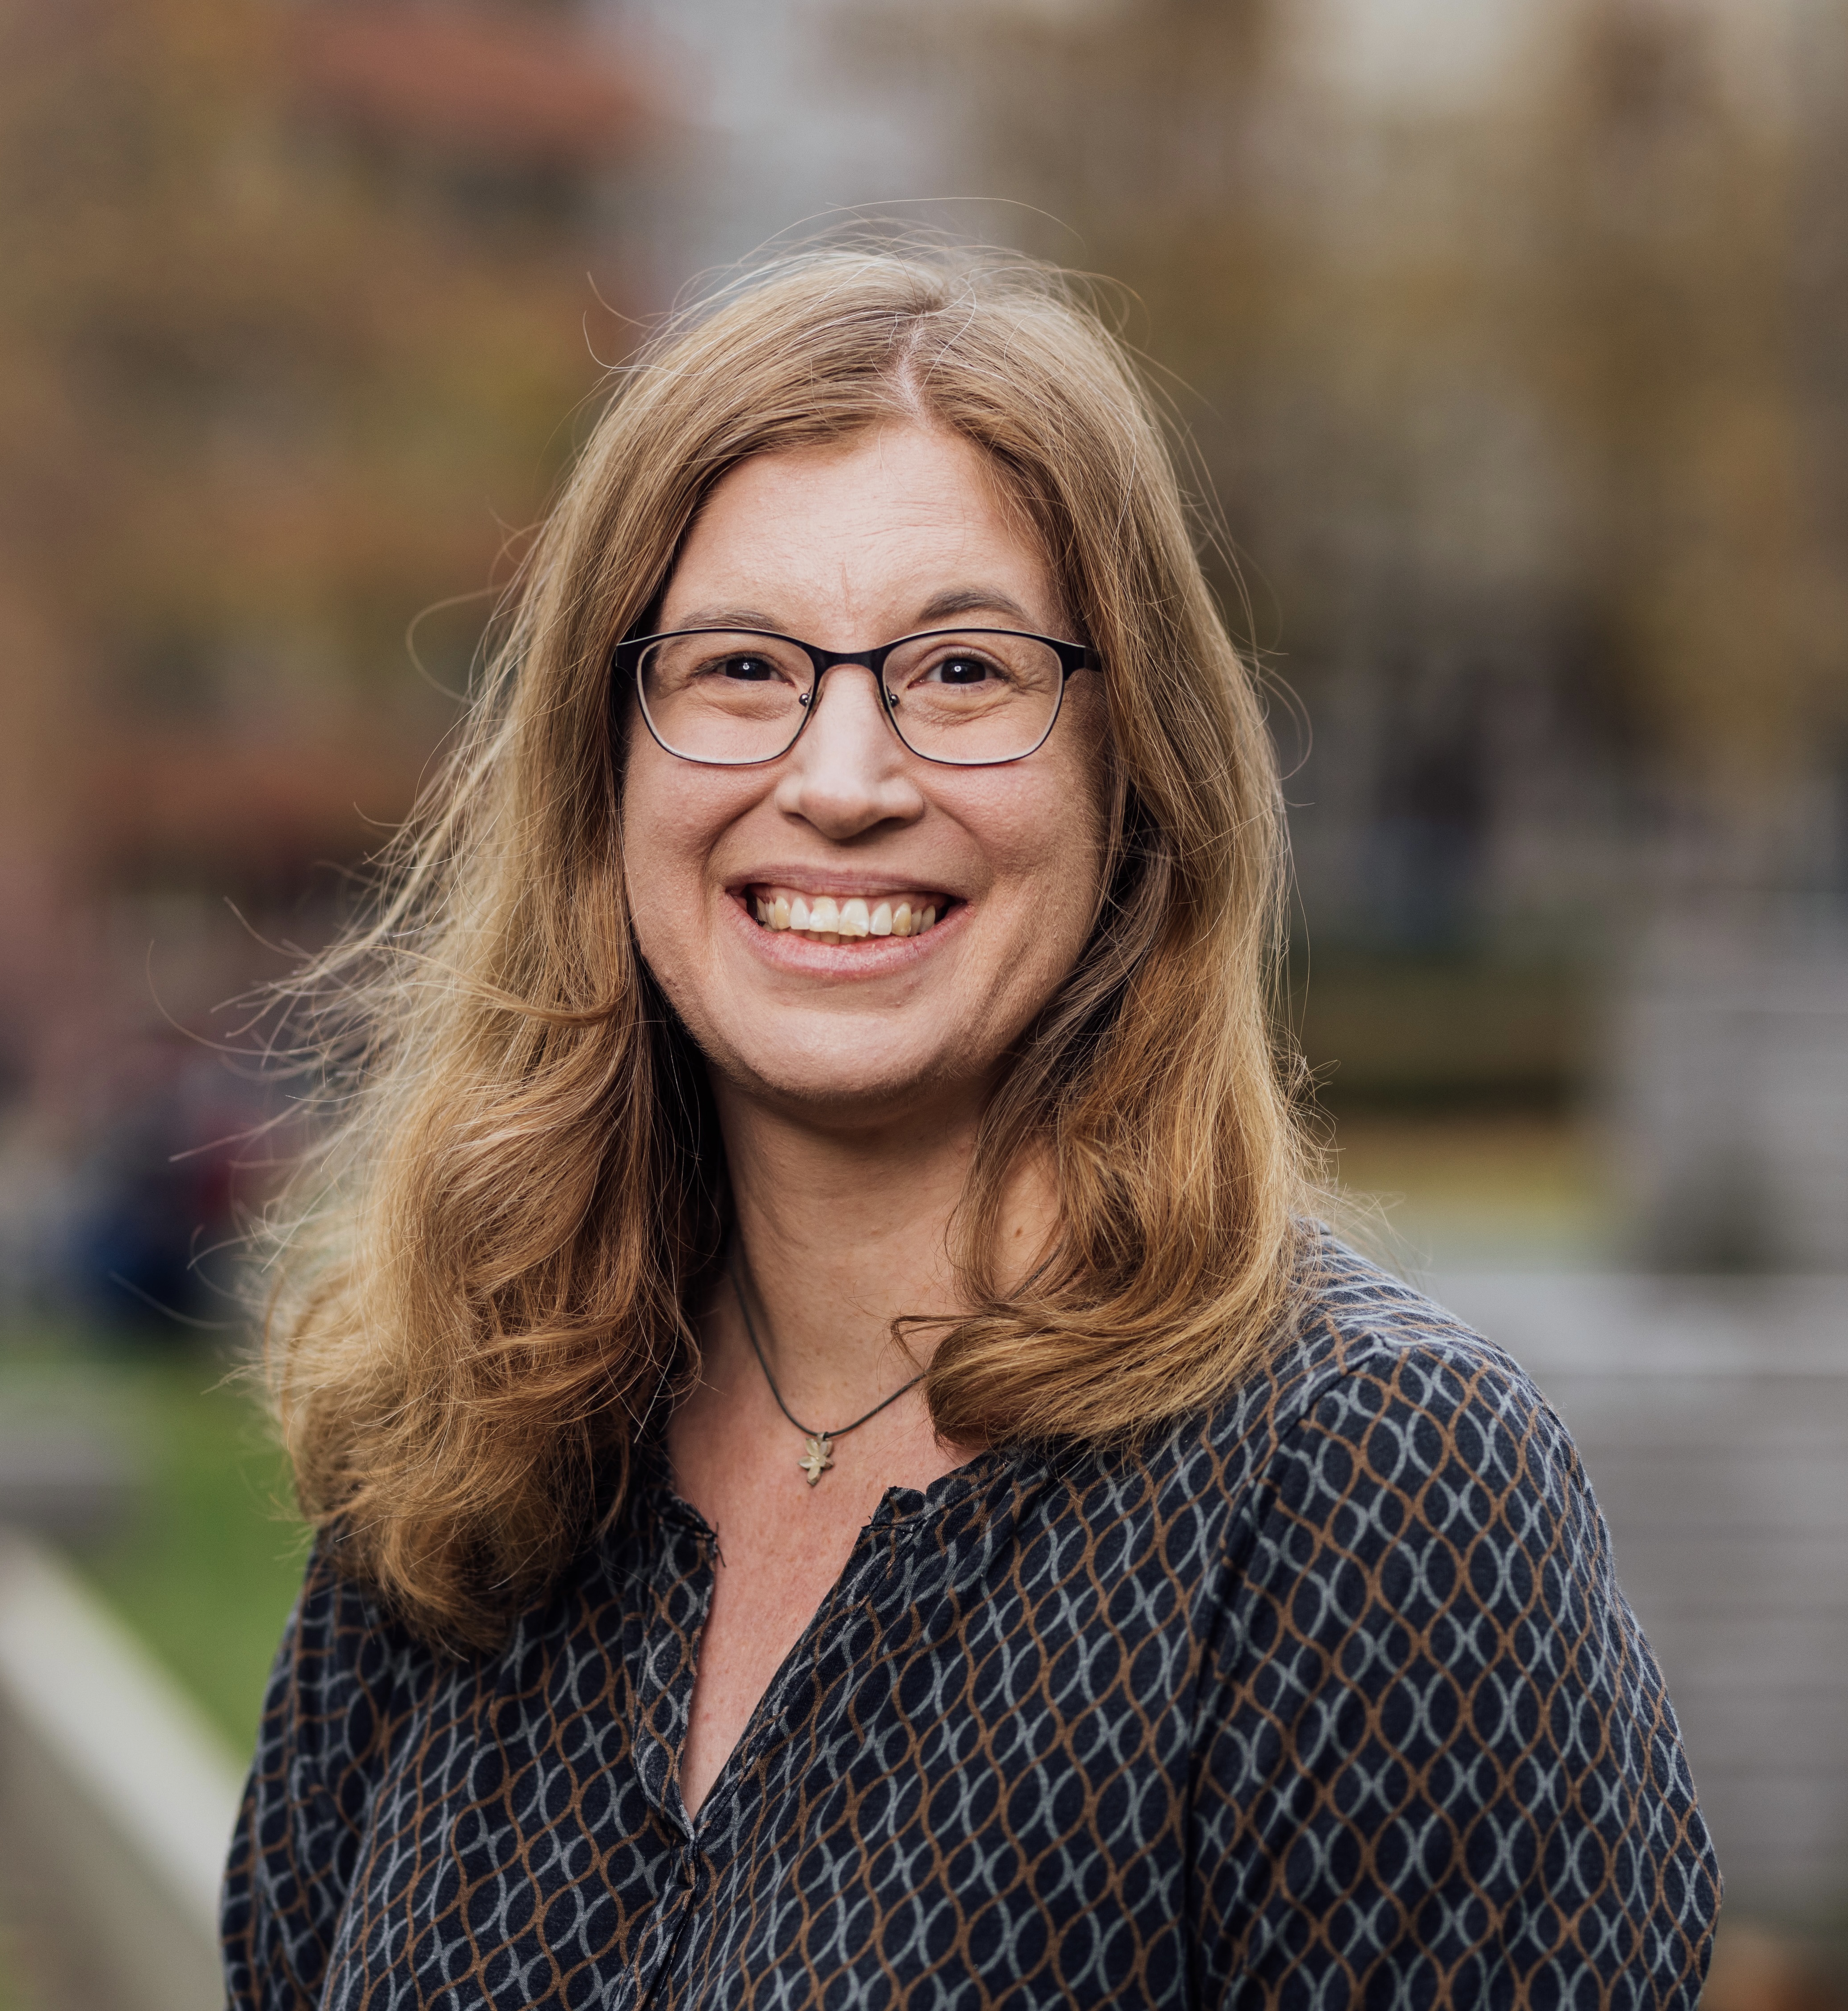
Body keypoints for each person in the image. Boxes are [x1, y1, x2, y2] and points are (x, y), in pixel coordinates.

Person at [222, 247, 1718, 2009]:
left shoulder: (1359, 1490)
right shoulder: (474, 1452)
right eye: (739, 669)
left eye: (959, 672)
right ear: (604, 766)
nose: (843, 779)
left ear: (1128, 773)